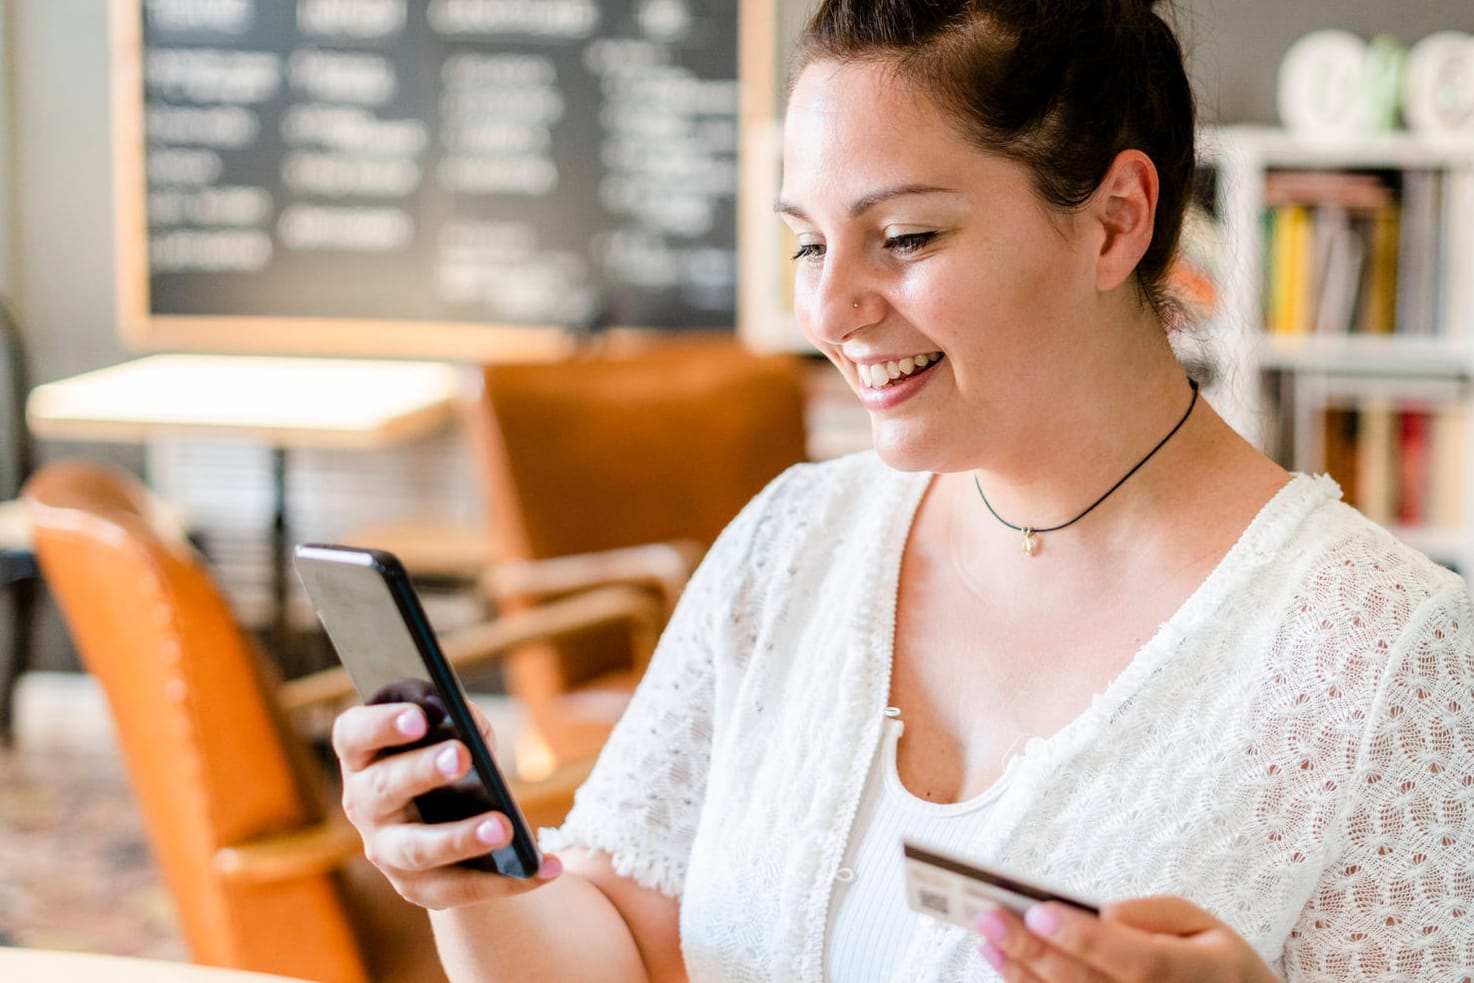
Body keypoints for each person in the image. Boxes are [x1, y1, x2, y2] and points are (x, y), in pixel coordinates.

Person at [330, 0, 1474, 980]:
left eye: (905, 234)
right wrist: (468, 884)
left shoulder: (1386, 657)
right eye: (809, 245)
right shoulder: (793, 539)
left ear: (1116, 219)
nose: (829, 312)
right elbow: (630, 935)